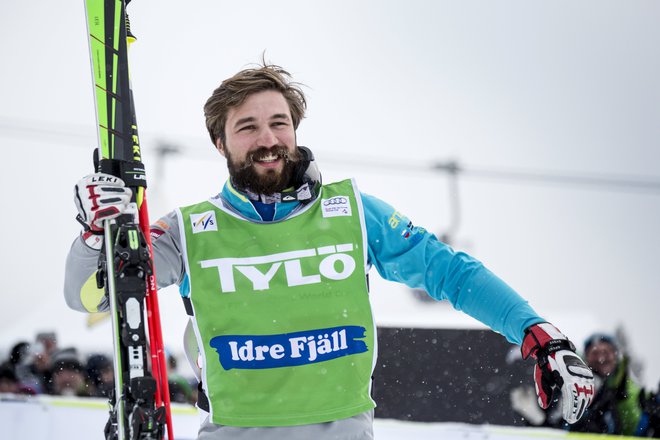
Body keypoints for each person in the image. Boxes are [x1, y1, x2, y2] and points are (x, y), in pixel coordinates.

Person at [64, 63, 595, 439]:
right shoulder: (191, 229)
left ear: (295, 131)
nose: (267, 138)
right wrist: (96, 234)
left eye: (279, 123)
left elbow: (449, 273)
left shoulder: (351, 211)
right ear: (220, 143)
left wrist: (537, 334)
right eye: (247, 127)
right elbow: (93, 296)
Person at [569, 333, 653, 436]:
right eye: (595, 353)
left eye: (606, 352)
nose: (601, 358)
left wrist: (622, 401)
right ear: (586, 357)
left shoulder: (630, 387)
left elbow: (635, 428)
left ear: (615, 355)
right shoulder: (575, 382)